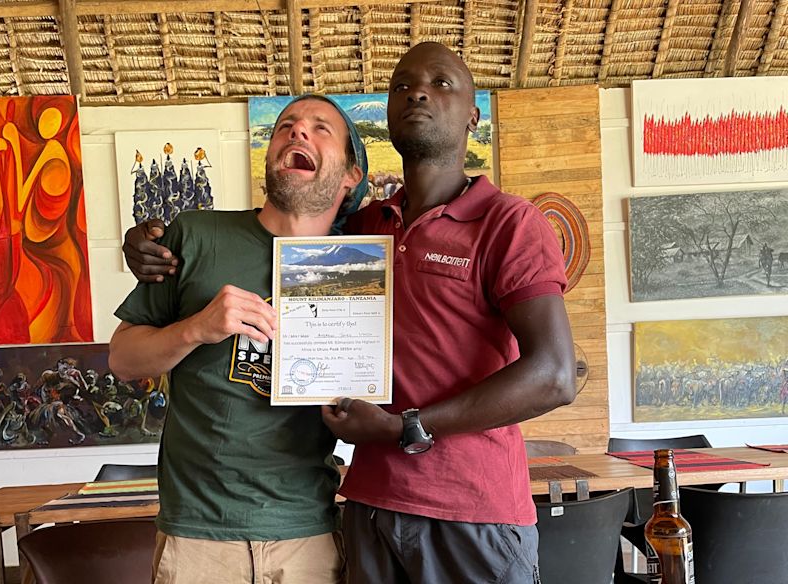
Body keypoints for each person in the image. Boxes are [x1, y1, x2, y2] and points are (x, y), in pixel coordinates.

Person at [124, 42, 575, 584]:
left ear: (473, 116)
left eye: (441, 83)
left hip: (469, 510)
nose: (418, 94)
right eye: (402, 85)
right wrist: (146, 243)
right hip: (366, 507)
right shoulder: (361, 234)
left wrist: (405, 427)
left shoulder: (509, 223)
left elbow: (555, 373)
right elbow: (129, 351)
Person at [109, 95, 368, 584]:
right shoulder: (197, 233)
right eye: (285, 125)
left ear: (352, 175)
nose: (297, 132)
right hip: (197, 537)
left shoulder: (360, 260)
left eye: (320, 127)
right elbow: (122, 359)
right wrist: (196, 328)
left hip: (307, 532)